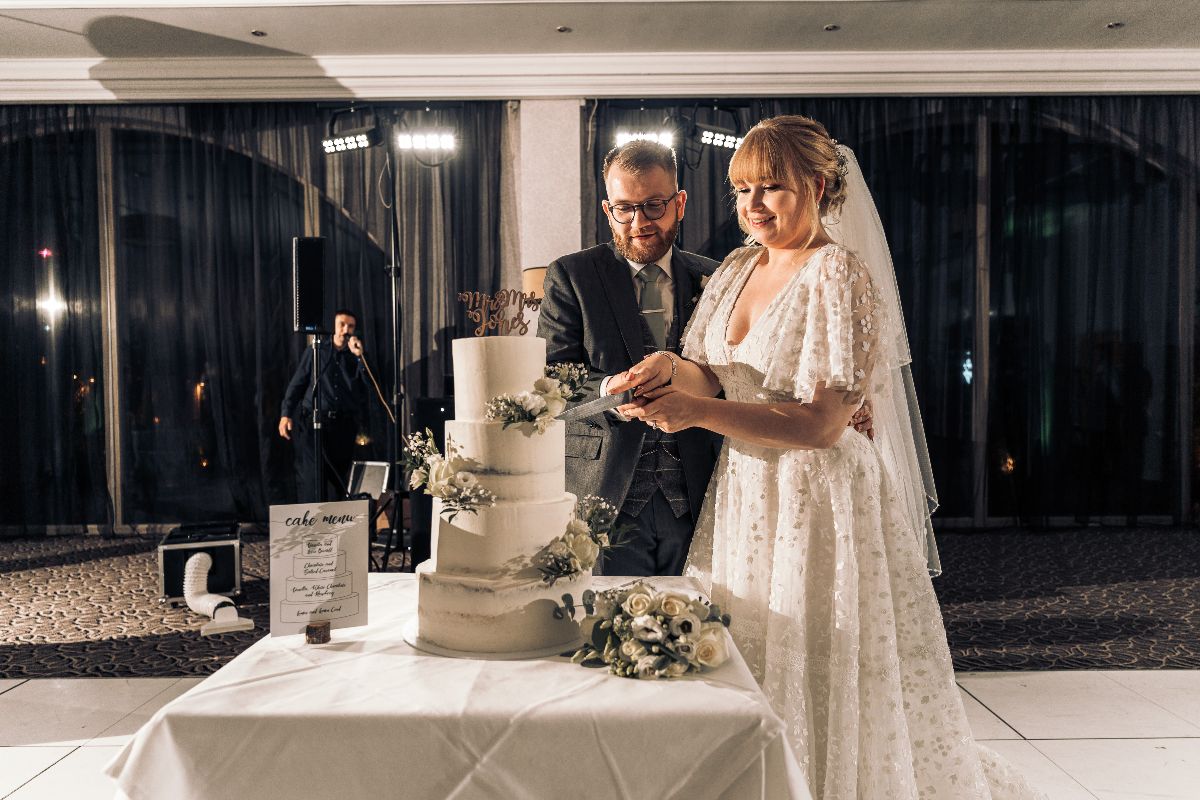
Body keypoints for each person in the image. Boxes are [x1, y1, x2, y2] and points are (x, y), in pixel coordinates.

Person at [613, 116, 1044, 798]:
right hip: (751, 485)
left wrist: (695, 412)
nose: (754, 206)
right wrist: (658, 371)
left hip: (819, 494)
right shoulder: (736, 267)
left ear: (816, 186)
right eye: (743, 189)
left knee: (819, 654)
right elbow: (712, 372)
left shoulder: (836, 273)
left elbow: (821, 425)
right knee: (755, 646)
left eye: (772, 188)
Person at [537, 140, 722, 577]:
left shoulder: (715, 278)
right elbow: (548, 382)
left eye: (654, 206)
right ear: (607, 210)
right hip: (605, 495)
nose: (638, 222)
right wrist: (607, 391)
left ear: (679, 203)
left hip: (699, 492)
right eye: (624, 209)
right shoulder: (572, 276)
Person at [279, 309, 368, 502]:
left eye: (350, 326)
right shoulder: (316, 350)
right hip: (314, 424)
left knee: (339, 479)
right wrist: (286, 414)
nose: (346, 329)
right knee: (312, 477)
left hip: (343, 426)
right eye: (342, 324)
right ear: (334, 326)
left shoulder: (357, 355)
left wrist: (360, 357)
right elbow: (298, 382)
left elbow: (369, 384)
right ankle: (311, 524)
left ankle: (334, 526)